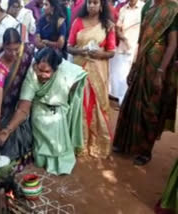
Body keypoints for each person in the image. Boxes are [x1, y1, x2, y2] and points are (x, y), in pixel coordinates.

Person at [0, 47, 87, 175]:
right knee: (40, 155)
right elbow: (23, 109)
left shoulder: (64, 71)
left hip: (58, 110)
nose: (42, 75)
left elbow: (79, 77)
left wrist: (63, 97)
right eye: (40, 70)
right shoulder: (31, 76)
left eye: (47, 72)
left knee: (59, 149)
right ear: (35, 65)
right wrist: (7, 130)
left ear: (56, 70)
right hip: (39, 108)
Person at [112, 0, 178, 165]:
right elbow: (142, 40)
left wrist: (160, 72)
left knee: (150, 108)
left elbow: (173, 44)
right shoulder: (148, 7)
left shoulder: (172, 10)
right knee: (131, 103)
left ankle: (145, 151)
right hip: (142, 63)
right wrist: (134, 65)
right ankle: (124, 144)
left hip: (157, 66)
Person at [67, 0, 116, 159]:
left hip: (98, 69)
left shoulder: (107, 25)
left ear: (101, 5)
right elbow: (69, 46)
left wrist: (100, 54)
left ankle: (97, 144)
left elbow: (111, 51)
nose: (92, 6)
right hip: (80, 68)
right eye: (89, 3)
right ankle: (79, 143)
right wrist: (81, 51)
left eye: (95, 3)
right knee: (79, 104)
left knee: (96, 104)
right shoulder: (77, 22)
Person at [0, 28, 34, 168]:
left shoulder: (27, 52)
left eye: (16, 49)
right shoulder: (0, 63)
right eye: (9, 50)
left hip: (23, 99)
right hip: (6, 105)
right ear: (3, 46)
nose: (14, 54)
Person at [109, 0, 144, 105]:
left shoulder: (144, 8)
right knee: (121, 76)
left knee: (132, 76)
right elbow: (118, 28)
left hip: (137, 47)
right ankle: (121, 102)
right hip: (124, 47)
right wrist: (123, 38)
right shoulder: (123, 9)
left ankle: (127, 102)